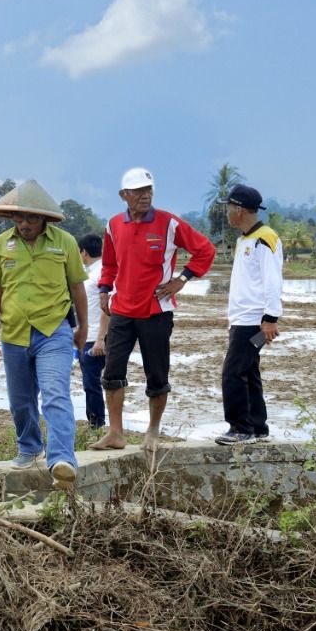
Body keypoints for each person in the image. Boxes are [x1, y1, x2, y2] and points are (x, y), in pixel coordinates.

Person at [89, 168, 216, 454]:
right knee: (111, 373)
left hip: (156, 311)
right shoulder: (113, 226)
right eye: (137, 191)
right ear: (124, 196)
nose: (144, 196)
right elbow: (109, 264)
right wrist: (104, 290)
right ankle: (115, 433)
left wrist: (182, 279)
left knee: (157, 376)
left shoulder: (169, 223)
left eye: (148, 190)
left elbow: (205, 250)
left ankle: (153, 432)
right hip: (121, 311)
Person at [0, 181, 89, 488]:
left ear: (43, 218)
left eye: (30, 218)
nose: (24, 224)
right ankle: (29, 447)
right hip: (13, 333)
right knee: (21, 400)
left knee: (55, 394)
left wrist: (83, 328)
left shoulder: (64, 243)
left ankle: (62, 460)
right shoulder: (0, 245)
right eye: (19, 218)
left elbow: (77, 287)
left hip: (53, 330)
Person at [215, 185, 283, 444]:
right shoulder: (245, 239)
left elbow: (272, 281)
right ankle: (257, 426)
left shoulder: (265, 239)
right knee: (249, 371)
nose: (227, 214)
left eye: (229, 208)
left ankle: (240, 428)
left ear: (239, 209)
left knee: (233, 373)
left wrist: (270, 319)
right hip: (241, 321)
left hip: (253, 323)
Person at [76, 233, 108, 429]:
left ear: (84, 252)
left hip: (96, 338)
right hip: (88, 336)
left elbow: (108, 308)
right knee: (91, 382)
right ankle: (95, 422)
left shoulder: (101, 274)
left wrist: (100, 339)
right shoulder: (91, 272)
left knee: (92, 383)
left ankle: (97, 424)